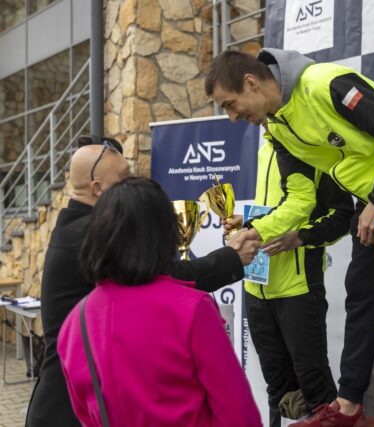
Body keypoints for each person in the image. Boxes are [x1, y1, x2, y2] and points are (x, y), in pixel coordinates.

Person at [205, 49, 374, 427]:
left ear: (251, 82)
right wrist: (256, 232)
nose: (232, 117)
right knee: (362, 293)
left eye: (231, 104)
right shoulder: (276, 126)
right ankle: (348, 403)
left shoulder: (326, 84)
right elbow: (302, 199)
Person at [26, 135, 260, 427]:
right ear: (98, 189)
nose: (133, 185)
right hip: (66, 413)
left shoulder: (84, 228)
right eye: (124, 179)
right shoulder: (93, 232)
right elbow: (165, 279)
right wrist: (232, 258)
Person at [225, 139, 353, 426]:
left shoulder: (312, 147)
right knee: (278, 393)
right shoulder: (264, 150)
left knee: (316, 389)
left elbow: (344, 217)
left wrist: (302, 237)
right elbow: (271, 212)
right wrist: (245, 223)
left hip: (298, 289)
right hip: (256, 286)